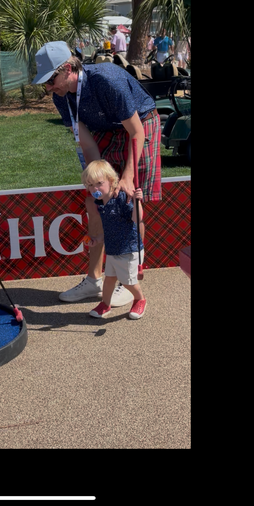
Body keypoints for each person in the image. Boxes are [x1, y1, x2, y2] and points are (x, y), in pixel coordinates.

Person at [34, 40, 162, 307]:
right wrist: (98, 183)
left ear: (68, 68)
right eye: (45, 82)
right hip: (105, 131)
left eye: (51, 79)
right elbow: (87, 142)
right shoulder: (61, 95)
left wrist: (125, 179)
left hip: (140, 124)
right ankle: (94, 280)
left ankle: (130, 277)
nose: (48, 88)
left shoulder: (106, 80)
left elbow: (136, 132)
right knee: (95, 202)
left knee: (127, 200)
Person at [81, 160, 147, 319]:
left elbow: (136, 219)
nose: (95, 188)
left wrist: (137, 202)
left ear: (111, 181)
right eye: (90, 185)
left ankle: (140, 300)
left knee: (128, 282)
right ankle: (105, 303)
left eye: (99, 183)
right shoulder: (101, 204)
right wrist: (97, 239)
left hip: (129, 249)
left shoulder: (122, 198)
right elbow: (110, 229)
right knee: (109, 279)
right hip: (112, 249)